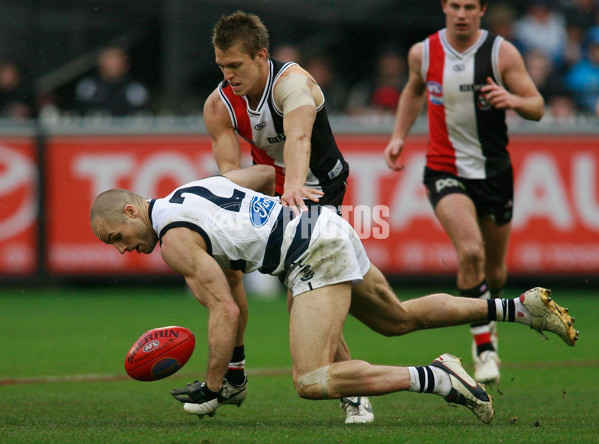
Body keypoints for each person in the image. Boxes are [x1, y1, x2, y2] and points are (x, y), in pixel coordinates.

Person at [89, 165, 578, 425]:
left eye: (115, 238)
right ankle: (521, 307)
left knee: (310, 379)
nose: (122, 252)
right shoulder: (190, 189)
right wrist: (254, 223)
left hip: (311, 255)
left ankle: (439, 377)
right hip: (325, 229)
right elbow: (261, 176)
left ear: (131, 211)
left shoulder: (173, 239)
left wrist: (214, 388)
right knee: (397, 319)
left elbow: (224, 308)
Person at [201, 11, 370, 423]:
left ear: (261, 56)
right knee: (227, 269)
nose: (228, 75)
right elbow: (230, 177)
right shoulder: (218, 105)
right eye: (222, 66)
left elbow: (298, 138)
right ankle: (234, 373)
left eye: (236, 65)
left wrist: (292, 185)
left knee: (304, 298)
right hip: (273, 193)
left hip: (317, 188)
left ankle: (356, 393)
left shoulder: (293, 83)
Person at [383, 0, 545, 385]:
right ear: (444, 6)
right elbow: (413, 91)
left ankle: (486, 316)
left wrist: (515, 101)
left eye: (469, 6)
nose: (460, 13)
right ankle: (484, 347)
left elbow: (537, 107)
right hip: (444, 169)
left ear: (482, 10)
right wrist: (398, 137)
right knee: (470, 250)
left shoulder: (501, 52)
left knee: (495, 272)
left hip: (494, 174)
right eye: (454, 5)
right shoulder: (422, 52)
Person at [75, 46, 150, 117]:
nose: (113, 70)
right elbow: (80, 113)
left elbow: (141, 115)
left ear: (124, 66)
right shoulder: (89, 86)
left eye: (117, 65)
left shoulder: (134, 88)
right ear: (101, 66)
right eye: (109, 66)